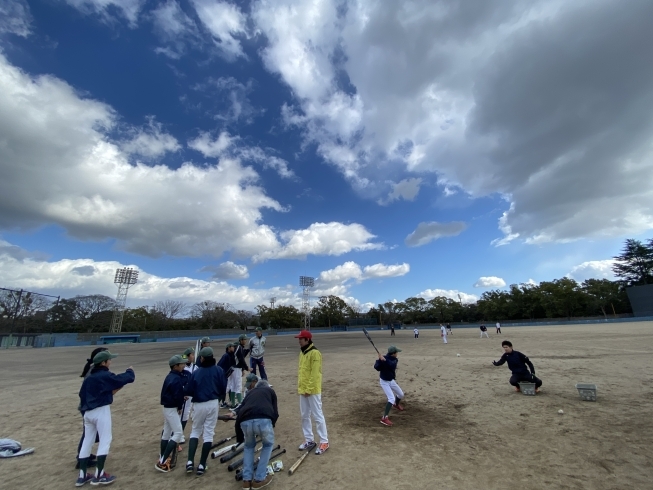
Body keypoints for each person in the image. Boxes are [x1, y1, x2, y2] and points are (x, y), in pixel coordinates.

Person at [76, 351, 135, 486]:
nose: (110, 362)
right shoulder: (104, 375)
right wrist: (130, 371)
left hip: (87, 412)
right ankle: (100, 474)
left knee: (87, 441)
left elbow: (81, 394)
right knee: (105, 440)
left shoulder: (89, 376)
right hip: (100, 411)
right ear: (103, 363)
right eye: (109, 360)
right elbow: (122, 379)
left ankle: (82, 475)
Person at [183, 347, 228, 476]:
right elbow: (223, 387)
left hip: (198, 404)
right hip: (213, 403)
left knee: (195, 431)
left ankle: (190, 462)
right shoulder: (219, 370)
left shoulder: (196, 373)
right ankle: (202, 464)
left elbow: (189, 390)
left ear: (202, 358)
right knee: (208, 433)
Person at [235, 376, 278, 489]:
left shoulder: (250, 393)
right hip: (263, 420)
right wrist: (271, 425)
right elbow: (275, 412)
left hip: (244, 421)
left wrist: (232, 414)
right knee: (268, 445)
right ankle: (259, 478)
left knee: (249, 447)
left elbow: (240, 408)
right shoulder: (270, 391)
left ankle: (246, 480)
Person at [295, 330, 329, 455]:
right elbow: (301, 371)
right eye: (299, 338)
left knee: (317, 415)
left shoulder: (315, 353)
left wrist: (309, 389)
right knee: (304, 415)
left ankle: (324, 441)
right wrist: (301, 388)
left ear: (307, 340)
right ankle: (309, 439)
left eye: (301, 339)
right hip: (303, 390)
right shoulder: (302, 352)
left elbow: (315, 374)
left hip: (313, 390)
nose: (299, 341)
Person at [76, 347, 107, 470]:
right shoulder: (93, 371)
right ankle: (81, 458)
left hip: (88, 405)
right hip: (89, 406)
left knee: (91, 434)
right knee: (88, 434)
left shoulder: (92, 369)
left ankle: (85, 455)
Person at [156, 355, 188, 473]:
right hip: (172, 408)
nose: (183, 365)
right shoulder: (176, 378)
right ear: (176, 366)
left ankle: (162, 457)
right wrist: (180, 405)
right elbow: (176, 393)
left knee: (167, 433)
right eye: (181, 364)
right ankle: (163, 461)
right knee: (178, 433)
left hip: (167, 407)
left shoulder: (170, 376)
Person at [374, 346, 405, 427]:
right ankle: (384, 418)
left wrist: (385, 360)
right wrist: (380, 361)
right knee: (391, 398)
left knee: (401, 394)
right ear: (393, 353)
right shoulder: (384, 358)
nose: (397, 354)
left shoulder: (394, 360)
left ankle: (396, 404)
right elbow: (376, 367)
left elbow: (391, 365)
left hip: (391, 380)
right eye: (396, 352)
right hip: (384, 382)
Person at [228, 335, 251, 408]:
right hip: (237, 369)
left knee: (233, 386)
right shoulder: (239, 347)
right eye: (244, 339)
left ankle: (233, 404)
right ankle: (240, 404)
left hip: (233, 369)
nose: (245, 341)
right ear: (240, 340)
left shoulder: (238, 347)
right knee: (238, 386)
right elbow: (241, 359)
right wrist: (246, 368)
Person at [181, 347, 196, 433]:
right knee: (181, 413)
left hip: (190, 394)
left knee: (186, 414)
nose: (193, 356)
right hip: (182, 393)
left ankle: (181, 433)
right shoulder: (182, 367)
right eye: (192, 355)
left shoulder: (195, 367)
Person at [218, 343, 236, 408]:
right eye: (232, 347)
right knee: (224, 389)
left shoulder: (231, 355)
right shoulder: (226, 356)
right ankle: (220, 402)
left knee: (229, 388)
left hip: (228, 375)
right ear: (228, 348)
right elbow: (219, 365)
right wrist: (222, 374)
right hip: (224, 375)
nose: (233, 348)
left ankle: (230, 401)